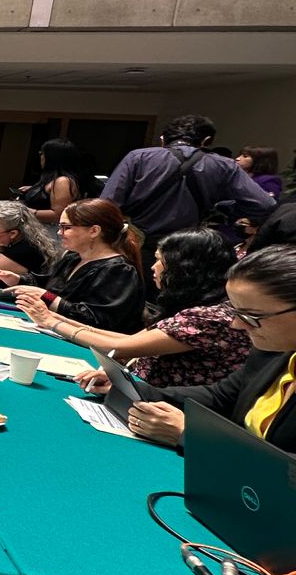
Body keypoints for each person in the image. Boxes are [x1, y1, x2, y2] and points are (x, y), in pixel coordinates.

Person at [78, 245, 296, 451]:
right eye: (235, 311)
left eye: (252, 317)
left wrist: (189, 434)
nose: (237, 324)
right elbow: (219, 396)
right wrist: (131, 389)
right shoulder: (272, 353)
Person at [50, 230, 247, 389]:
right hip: (144, 394)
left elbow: (119, 347)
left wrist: (52, 322)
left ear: (184, 268)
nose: (153, 267)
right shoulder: (199, 306)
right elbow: (130, 340)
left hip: (165, 410)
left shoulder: (207, 317)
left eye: (161, 260)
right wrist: (55, 318)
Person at [102, 114, 275, 273]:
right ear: (206, 141)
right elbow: (265, 204)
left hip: (137, 244)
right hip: (188, 249)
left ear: (163, 139)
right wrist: (226, 210)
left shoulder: (138, 157)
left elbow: (107, 205)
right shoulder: (224, 165)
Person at [0, 198, 147, 334]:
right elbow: (47, 283)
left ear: (94, 231)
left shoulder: (119, 271)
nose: (59, 232)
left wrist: (47, 297)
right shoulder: (73, 257)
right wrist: (16, 279)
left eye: (66, 228)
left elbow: (98, 320)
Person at [18, 137, 86, 228]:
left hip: (49, 231)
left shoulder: (63, 181)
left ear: (51, 157)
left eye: (42, 154)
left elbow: (58, 215)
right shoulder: (52, 179)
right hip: (37, 228)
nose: (40, 157)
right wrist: (35, 189)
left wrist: (23, 211)